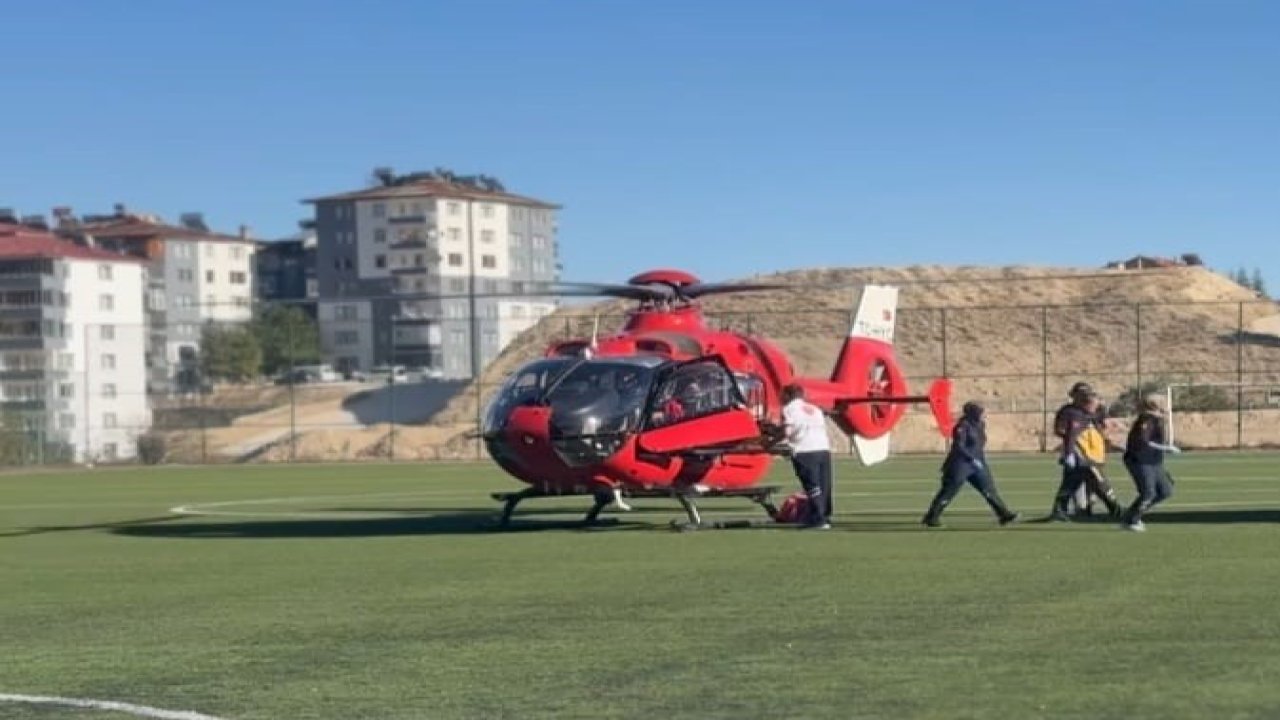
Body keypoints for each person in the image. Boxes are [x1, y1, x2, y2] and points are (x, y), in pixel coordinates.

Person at [922, 401, 1019, 527]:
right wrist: (972, 458)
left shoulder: (980, 425)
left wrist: (979, 459)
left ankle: (1004, 514)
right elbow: (959, 446)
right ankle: (931, 517)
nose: (984, 415)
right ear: (973, 413)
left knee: (988, 489)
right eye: (981, 412)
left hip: (977, 464)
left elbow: (979, 444)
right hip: (960, 464)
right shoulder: (962, 426)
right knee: (948, 492)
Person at [1049, 388, 1124, 520]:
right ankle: (1116, 509)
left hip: (1091, 454)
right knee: (1100, 482)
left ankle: (1059, 510)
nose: (1095, 408)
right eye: (1093, 406)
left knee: (1071, 484)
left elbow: (1103, 423)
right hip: (1083, 456)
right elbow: (1070, 434)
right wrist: (1069, 453)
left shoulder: (1088, 414)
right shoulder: (1073, 414)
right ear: (1085, 403)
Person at [1119, 394, 1180, 531]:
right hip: (1140, 460)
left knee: (1165, 490)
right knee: (1148, 493)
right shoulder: (1147, 419)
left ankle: (1130, 515)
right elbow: (1143, 440)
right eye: (1163, 402)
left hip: (1154, 461)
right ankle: (1132, 521)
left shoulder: (1157, 419)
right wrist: (1165, 448)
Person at [781, 384, 833, 529]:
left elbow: (788, 432)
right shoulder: (815, 409)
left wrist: (771, 441)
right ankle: (825, 516)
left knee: (811, 485)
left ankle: (818, 518)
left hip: (804, 450)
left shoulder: (789, 409)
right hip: (823, 448)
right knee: (824, 485)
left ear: (787, 395)